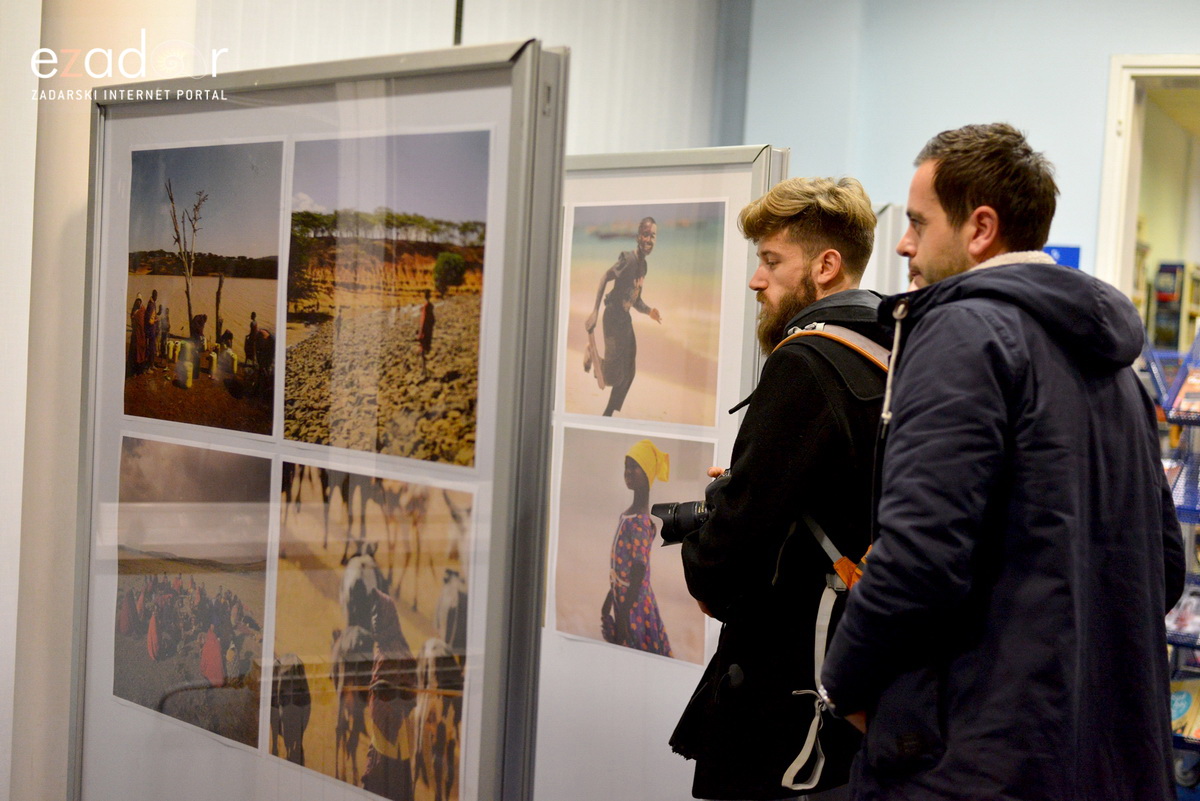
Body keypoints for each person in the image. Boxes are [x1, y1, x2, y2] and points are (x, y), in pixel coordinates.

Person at [819, 123, 1185, 800]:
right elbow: (1163, 567)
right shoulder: (1119, 371)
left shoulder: (963, 333)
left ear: (980, 227)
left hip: (973, 761)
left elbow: (918, 557)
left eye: (919, 223)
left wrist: (839, 681)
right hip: (1104, 760)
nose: (903, 243)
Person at [671, 177, 888, 800]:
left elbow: (722, 563)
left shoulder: (805, 363)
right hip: (856, 682)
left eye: (771, 261)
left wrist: (716, 526)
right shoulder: (898, 347)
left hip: (785, 697)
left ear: (826, 265)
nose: (755, 280)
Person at [583, 216, 663, 417]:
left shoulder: (643, 267)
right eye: (646, 234)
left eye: (653, 235)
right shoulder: (628, 259)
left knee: (629, 372)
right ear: (638, 237)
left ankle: (609, 411)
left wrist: (649, 311)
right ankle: (592, 355)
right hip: (612, 317)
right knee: (610, 376)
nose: (649, 239)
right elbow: (604, 278)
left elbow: (635, 300)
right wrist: (595, 311)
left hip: (625, 320)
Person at [601, 439, 673, 657]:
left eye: (635, 466)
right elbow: (621, 572)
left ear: (648, 473)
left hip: (636, 607)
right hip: (624, 599)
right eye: (627, 465)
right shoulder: (628, 515)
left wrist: (623, 614)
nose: (628, 472)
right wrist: (609, 601)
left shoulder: (640, 522)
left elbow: (639, 570)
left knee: (638, 651)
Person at [416, 290, 435, 377]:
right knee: (425, 349)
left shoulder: (426, 307)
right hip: (428, 330)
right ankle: (424, 369)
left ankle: (424, 369)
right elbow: (433, 320)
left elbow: (423, 320)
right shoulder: (430, 306)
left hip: (424, 331)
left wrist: (421, 332)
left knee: (422, 350)